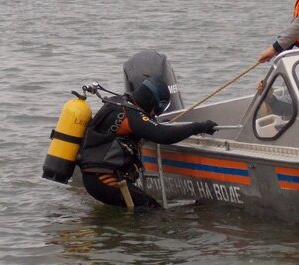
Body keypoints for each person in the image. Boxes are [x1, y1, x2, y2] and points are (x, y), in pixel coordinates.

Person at [77, 76, 217, 209]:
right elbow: (162, 135)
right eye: (159, 108)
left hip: (94, 177)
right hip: (104, 179)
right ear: (151, 100)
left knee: (139, 208)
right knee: (150, 209)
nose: (156, 113)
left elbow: (148, 127)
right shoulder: (130, 113)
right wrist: (199, 127)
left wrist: (157, 124)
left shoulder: (118, 103)